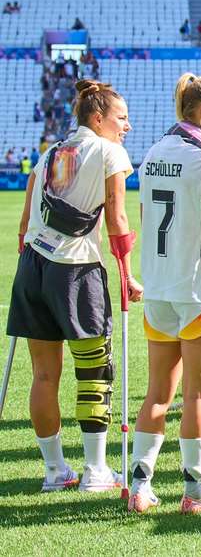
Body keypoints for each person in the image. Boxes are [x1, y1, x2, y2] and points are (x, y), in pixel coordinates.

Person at [7, 79, 140, 494]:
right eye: (121, 118)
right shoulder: (109, 151)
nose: (127, 126)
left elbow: (25, 223)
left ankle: (54, 471)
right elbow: (118, 221)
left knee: (44, 375)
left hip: (32, 267)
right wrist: (127, 274)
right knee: (94, 371)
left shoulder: (49, 153)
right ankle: (96, 471)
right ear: (98, 119)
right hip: (76, 270)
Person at [129, 73, 201, 514]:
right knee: (197, 395)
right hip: (199, 289)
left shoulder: (153, 151)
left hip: (157, 285)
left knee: (157, 391)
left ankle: (139, 484)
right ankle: (194, 491)